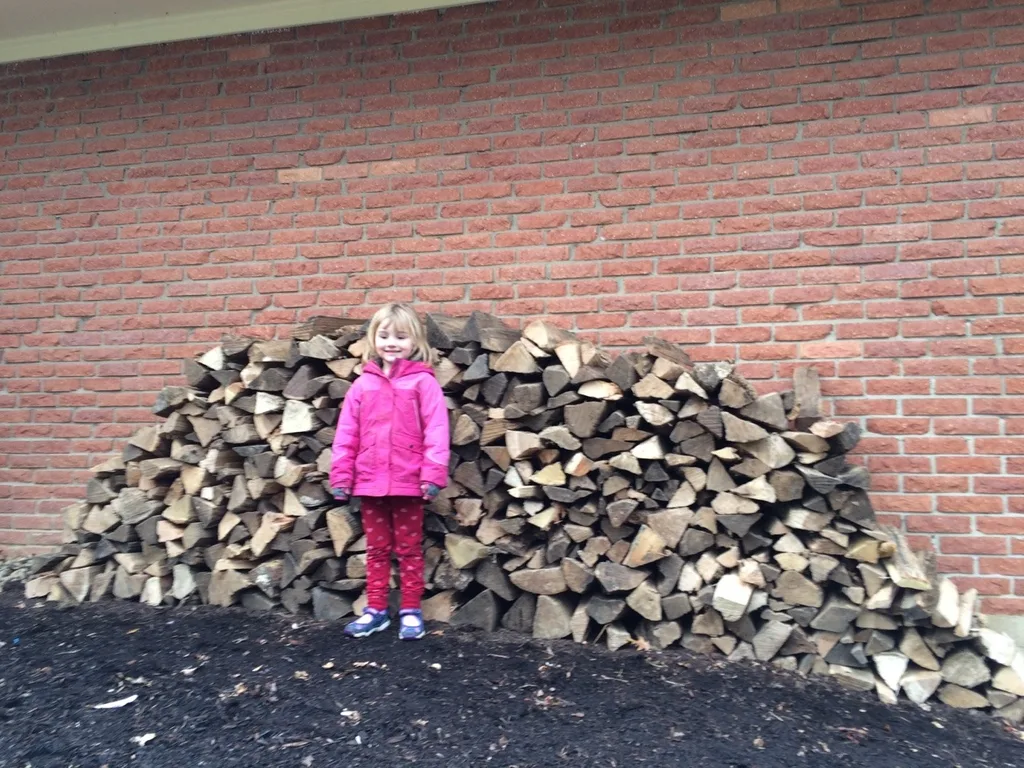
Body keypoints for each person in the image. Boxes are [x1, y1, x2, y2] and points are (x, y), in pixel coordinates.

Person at [329, 303, 450, 640]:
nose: (391, 342)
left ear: (415, 341)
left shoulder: (423, 384)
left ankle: (411, 609)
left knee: (409, 549)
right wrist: (341, 476)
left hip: (410, 483)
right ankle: (376, 610)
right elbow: (346, 434)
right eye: (384, 336)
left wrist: (432, 475)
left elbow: (437, 431)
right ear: (374, 339)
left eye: (400, 336)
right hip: (369, 483)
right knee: (377, 550)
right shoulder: (361, 387)